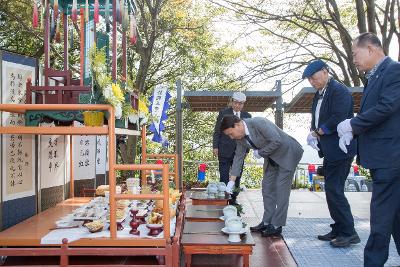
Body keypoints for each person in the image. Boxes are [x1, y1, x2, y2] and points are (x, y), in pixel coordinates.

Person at [337, 32, 400, 267]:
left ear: (371, 49)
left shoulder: (394, 71)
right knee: (394, 218)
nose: (353, 59)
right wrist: (354, 130)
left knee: (381, 219)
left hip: (390, 159)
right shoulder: (374, 77)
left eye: (355, 53)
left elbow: (387, 107)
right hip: (384, 158)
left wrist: (353, 124)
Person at [303, 59, 360, 248]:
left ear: (325, 71)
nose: (312, 82)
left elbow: (339, 117)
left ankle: (349, 233)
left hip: (341, 149)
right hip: (328, 149)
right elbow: (317, 118)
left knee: (335, 190)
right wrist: (314, 131)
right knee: (331, 189)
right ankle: (338, 228)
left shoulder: (339, 90)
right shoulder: (319, 94)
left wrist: (320, 131)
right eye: (309, 79)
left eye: (314, 77)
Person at [220, 115, 303, 236]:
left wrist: (260, 152)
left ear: (237, 125)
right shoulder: (240, 139)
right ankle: (267, 221)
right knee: (267, 188)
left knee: (281, 190)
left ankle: (277, 225)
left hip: (288, 153)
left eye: (231, 134)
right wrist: (231, 182)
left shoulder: (258, 123)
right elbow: (238, 158)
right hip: (272, 157)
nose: (231, 137)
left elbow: (277, 140)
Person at [213, 92, 252, 204]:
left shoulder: (247, 116)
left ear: (243, 104)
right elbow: (217, 131)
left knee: (237, 176)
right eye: (235, 103)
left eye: (240, 103)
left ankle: (234, 200)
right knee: (224, 176)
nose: (237, 105)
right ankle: (224, 200)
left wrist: (247, 149)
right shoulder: (223, 113)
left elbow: (248, 134)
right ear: (232, 102)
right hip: (224, 150)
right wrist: (215, 146)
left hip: (240, 152)